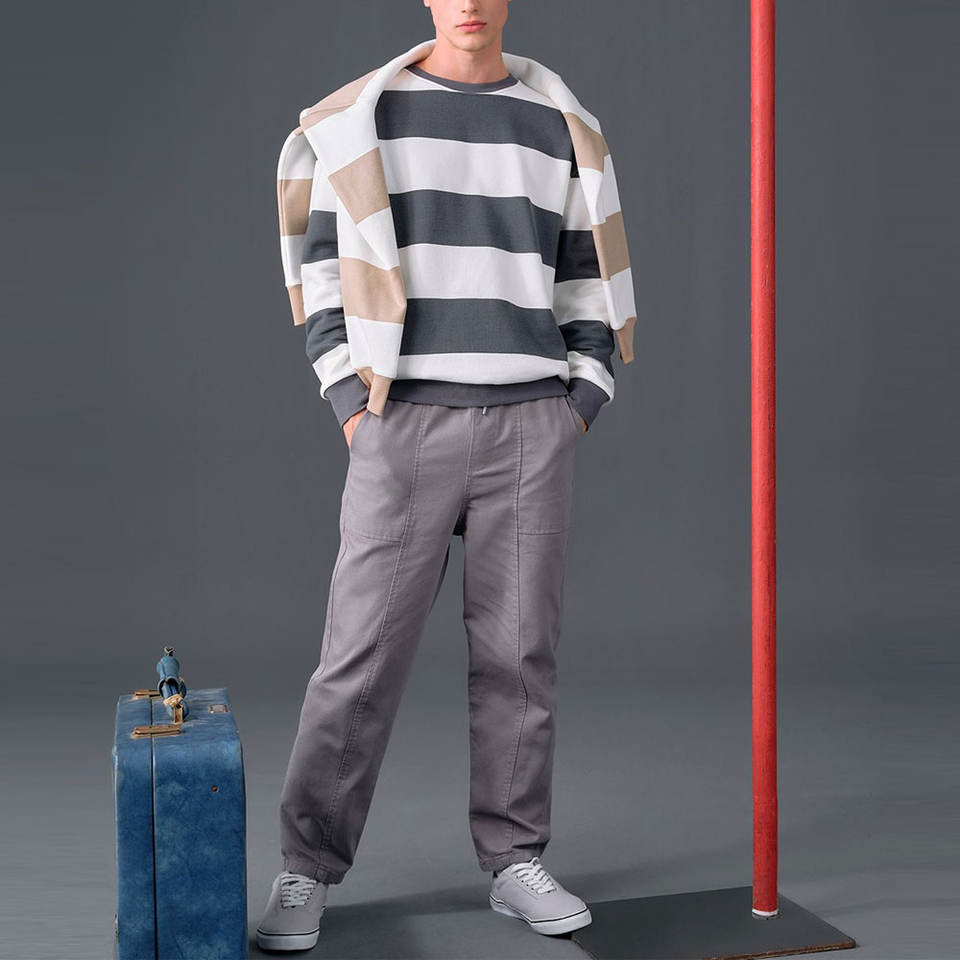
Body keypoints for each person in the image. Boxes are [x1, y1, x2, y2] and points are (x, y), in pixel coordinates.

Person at [259, 0, 636, 949]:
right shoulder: (362, 120)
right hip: (403, 424)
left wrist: (580, 399)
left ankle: (514, 860)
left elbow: (589, 274)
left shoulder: (560, 126)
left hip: (531, 425)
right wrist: (351, 403)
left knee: (521, 657)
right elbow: (322, 268)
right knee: (360, 658)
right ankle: (307, 868)